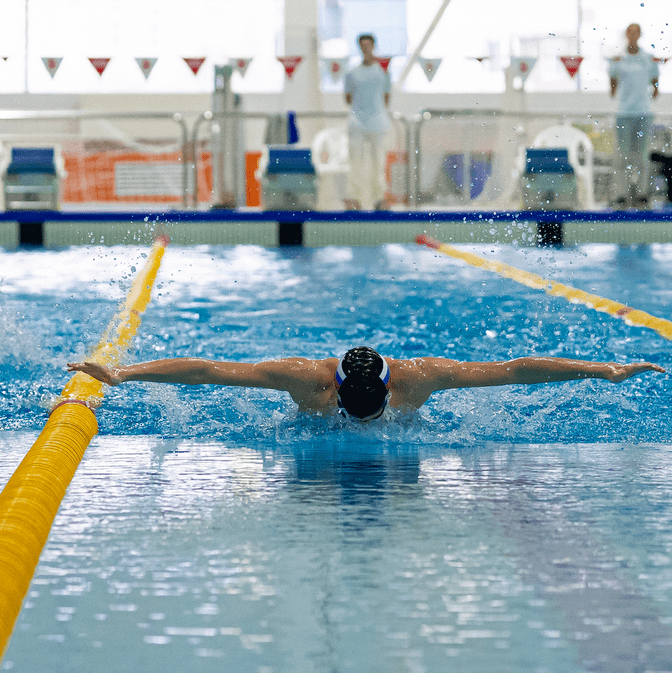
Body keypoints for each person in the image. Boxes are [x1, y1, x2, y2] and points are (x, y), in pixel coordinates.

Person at [67, 346, 665, 424]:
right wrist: (123, 373)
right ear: (332, 387)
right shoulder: (305, 381)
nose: (356, 412)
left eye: (368, 403)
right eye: (347, 402)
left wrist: (603, 370)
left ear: (387, 389)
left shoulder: (420, 380)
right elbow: (207, 370)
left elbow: (517, 371)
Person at [609, 23, 660, 208]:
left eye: (635, 32)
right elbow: (612, 83)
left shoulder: (647, 58)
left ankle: (642, 193)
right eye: (629, 32)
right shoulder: (618, 59)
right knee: (621, 157)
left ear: (640, 35)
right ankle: (621, 194)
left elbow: (655, 80)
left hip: (644, 114)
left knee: (642, 157)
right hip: (623, 113)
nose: (632, 35)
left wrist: (655, 89)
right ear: (626, 34)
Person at [343, 34, 391, 211]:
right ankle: (355, 198)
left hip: (378, 123)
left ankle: (379, 199)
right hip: (357, 122)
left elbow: (386, 98)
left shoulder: (383, 72)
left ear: (373, 46)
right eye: (363, 45)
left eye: (368, 45)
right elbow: (348, 98)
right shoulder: (352, 73)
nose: (366, 48)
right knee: (355, 162)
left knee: (378, 162)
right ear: (360, 47)